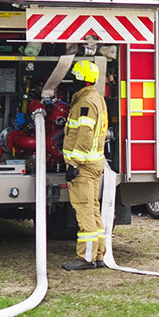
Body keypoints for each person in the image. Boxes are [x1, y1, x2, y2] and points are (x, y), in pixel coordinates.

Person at [61, 57, 113, 268]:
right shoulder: (96, 98)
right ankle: (98, 255)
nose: (72, 81)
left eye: (74, 77)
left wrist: (73, 163)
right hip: (94, 163)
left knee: (84, 210)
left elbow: (85, 135)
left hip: (83, 166)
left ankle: (86, 258)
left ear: (81, 80)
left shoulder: (84, 103)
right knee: (92, 209)